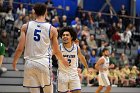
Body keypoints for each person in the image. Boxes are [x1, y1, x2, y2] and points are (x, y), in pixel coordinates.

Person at [12, 3, 69, 93]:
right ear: (46, 13)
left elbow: (20, 48)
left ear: (34, 13)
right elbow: (57, 50)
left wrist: (14, 62)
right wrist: (63, 61)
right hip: (44, 63)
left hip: (30, 63)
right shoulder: (52, 29)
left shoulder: (25, 27)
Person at [57, 27, 88, 93]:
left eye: (67, 35)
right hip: (62, 75)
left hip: (73, 74)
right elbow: (50, 54)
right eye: (63, 35)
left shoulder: (76, 48)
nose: (65, 36)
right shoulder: (59, 47)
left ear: (71, 37)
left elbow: (82, 58)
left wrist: (87, 67)